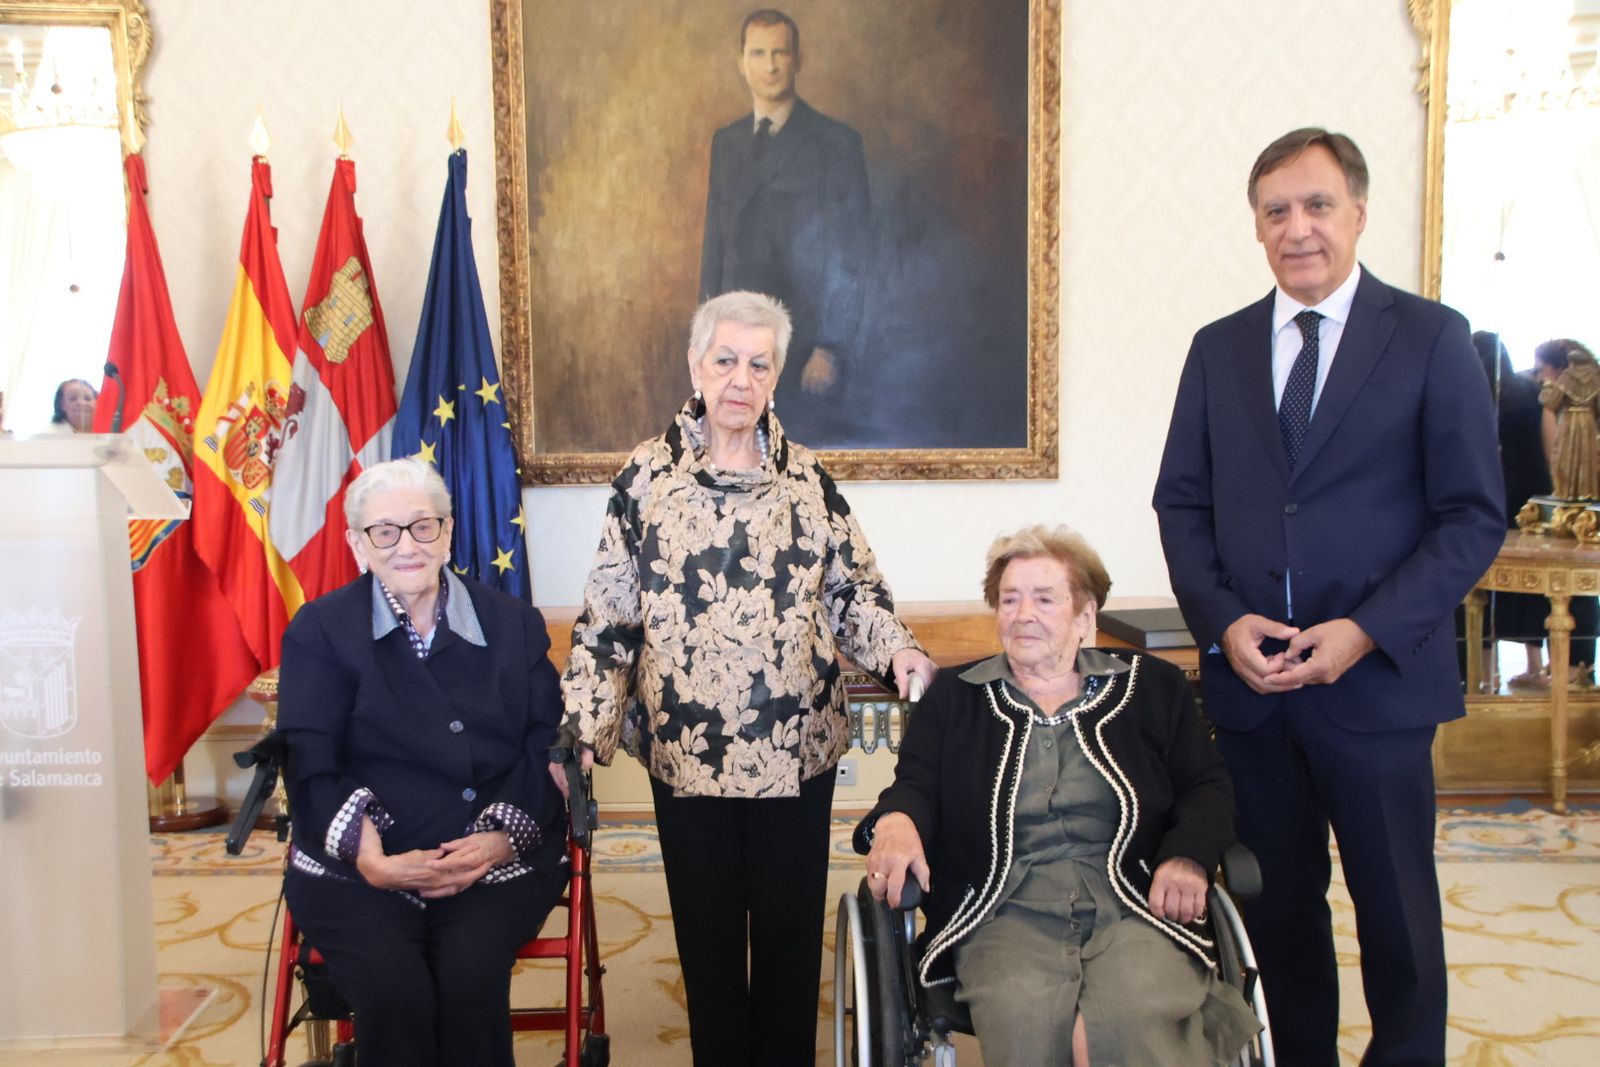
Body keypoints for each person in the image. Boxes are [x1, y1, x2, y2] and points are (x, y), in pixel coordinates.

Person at [1152, 127, 1504, 1066]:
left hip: (1378, 688)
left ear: (1358, 211)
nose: (1297, 228)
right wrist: (1223, 624)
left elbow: (1472, 516)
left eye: (1316, 206)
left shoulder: (1433, 338)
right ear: (1256, 227)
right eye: (1276, 211)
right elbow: (1180, 503)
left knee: (1397, 914)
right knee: (1277, 908)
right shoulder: (1218, 349)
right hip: (1256, 696)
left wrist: (1365, 629)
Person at [557, 290, 936, 1066]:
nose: (740, 378)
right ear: (696, 366)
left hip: (797, 755)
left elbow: (853, 593)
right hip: (688, 756)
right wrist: (586, 728)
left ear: (776, 376)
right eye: (725, 359)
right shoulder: (645, 478)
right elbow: (609, 616)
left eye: (758, 364)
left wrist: (898, 649)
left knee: (793, 947)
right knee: (709, 946)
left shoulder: (809, 481)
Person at [858, 525, 1261, 1067]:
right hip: (1001, 911)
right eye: (1009, 599)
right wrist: (898, 821)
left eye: (1045, 599)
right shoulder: (955, 699)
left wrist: (1187, 856)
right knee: (1025, 1016)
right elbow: (914, 785)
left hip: (1133, 900)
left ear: (1085, 616)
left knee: (1128, 1017)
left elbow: (1206, 785)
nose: (1023, 614)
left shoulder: (1152, 688)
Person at [277, 458, 568, 1067]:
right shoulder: (321, 629)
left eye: (422, 526)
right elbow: (310, 759)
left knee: (469, 976)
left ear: (449, 533)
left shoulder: (511, 624)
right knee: (392, 990)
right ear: (357, 544)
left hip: (491, 853)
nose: (406, 545)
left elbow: (547, 742)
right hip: (362, 862)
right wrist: (370, 858)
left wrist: (498, 841)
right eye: (384, 531)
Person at [699, 9, 869, 443]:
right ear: (742, 62)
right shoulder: (727, 142)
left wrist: (830, 348)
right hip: (735, 350)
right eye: (758, 53)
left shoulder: (836, 143)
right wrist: (707, 344)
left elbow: (851, 258)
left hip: (804, 348)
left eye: (780, 53)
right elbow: (715, 247)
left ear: (798, 60)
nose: (770, 65)